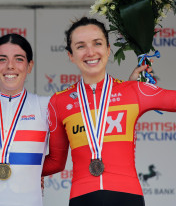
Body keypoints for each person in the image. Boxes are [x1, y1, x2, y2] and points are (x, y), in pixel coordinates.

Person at [42, 16, 176, 206]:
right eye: (80, 46)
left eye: (97, 43)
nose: (90, 52)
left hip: (128, 197)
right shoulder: (59, 102)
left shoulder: (134, 91)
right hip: (82, 198)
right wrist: (10, 169)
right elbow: (55, 161)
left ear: (108, 49)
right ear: (70, 55)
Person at [0, 33, 50, 206]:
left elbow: (60, 155)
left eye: (19, 59)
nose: (10, 66)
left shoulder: (46, 106)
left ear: (30, 66)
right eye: (2, 59)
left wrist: (33, 175)